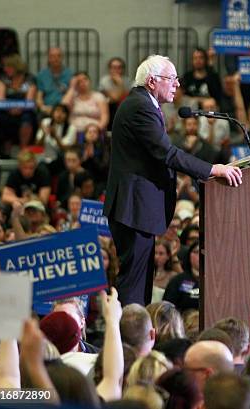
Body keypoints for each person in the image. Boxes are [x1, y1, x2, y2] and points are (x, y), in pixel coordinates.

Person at [103, 55, 242, 306]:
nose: (177, 84)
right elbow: (166, 153)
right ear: (153, 81)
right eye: (172, 79)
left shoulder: (143, 103)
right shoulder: (140, 106)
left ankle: (134, 336)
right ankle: (128, 339)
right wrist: (213, 169)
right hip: (133, 208)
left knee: (139, 283)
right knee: (133, 285)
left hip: (136, 209)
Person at [36, 47, 73, 115]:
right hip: (47, 109)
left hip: (65, 110)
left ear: (62, 58)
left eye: (58, 56)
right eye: (52, 56)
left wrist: (59, 109)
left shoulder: (70, 75)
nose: (56, 59)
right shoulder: (41, 75)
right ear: (48, 59)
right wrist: (43, 107)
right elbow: (39, 97)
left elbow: (72, 95)